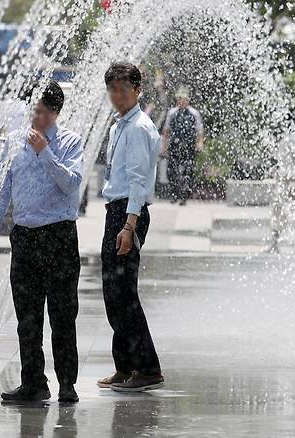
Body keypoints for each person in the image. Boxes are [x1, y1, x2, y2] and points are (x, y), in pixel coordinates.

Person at [0, 80, 83, 403]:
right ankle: (33, 382)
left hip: (59, 236)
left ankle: (67, 383)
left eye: (41, 112)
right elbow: (3, 189)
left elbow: (72, 184)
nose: (35, 117)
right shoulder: (14, 143)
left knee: (62, 314)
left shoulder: (69, 142)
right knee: (28, 316)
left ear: (55, 112)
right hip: (24, 238)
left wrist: (46, 153)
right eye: (33, 110)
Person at [97, 62, 164, 392]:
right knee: (113, 293)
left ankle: (148, 369)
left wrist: (129, 225)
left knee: (125, 294)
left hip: (129, 213)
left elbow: (139, 180)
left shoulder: (138, 126)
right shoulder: (118, 126)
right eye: (112, 88)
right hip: (117, 212)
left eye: (123, 88)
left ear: (137, 90)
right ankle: (124, 366)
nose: (117, 95)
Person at [161, 86, 204, 205]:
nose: (182, 101)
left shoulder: (194, 113)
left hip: (188, 145)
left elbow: (199, 130)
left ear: (188, 100)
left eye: (184, 99)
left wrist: (199, 143)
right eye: (180, 99)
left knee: (188, 171)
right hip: (175, 144)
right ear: (177, 100)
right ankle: (174, 194)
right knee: (172, 171)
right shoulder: (172, 113)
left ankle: (184, 196)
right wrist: (164, 146)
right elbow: (166, 130)